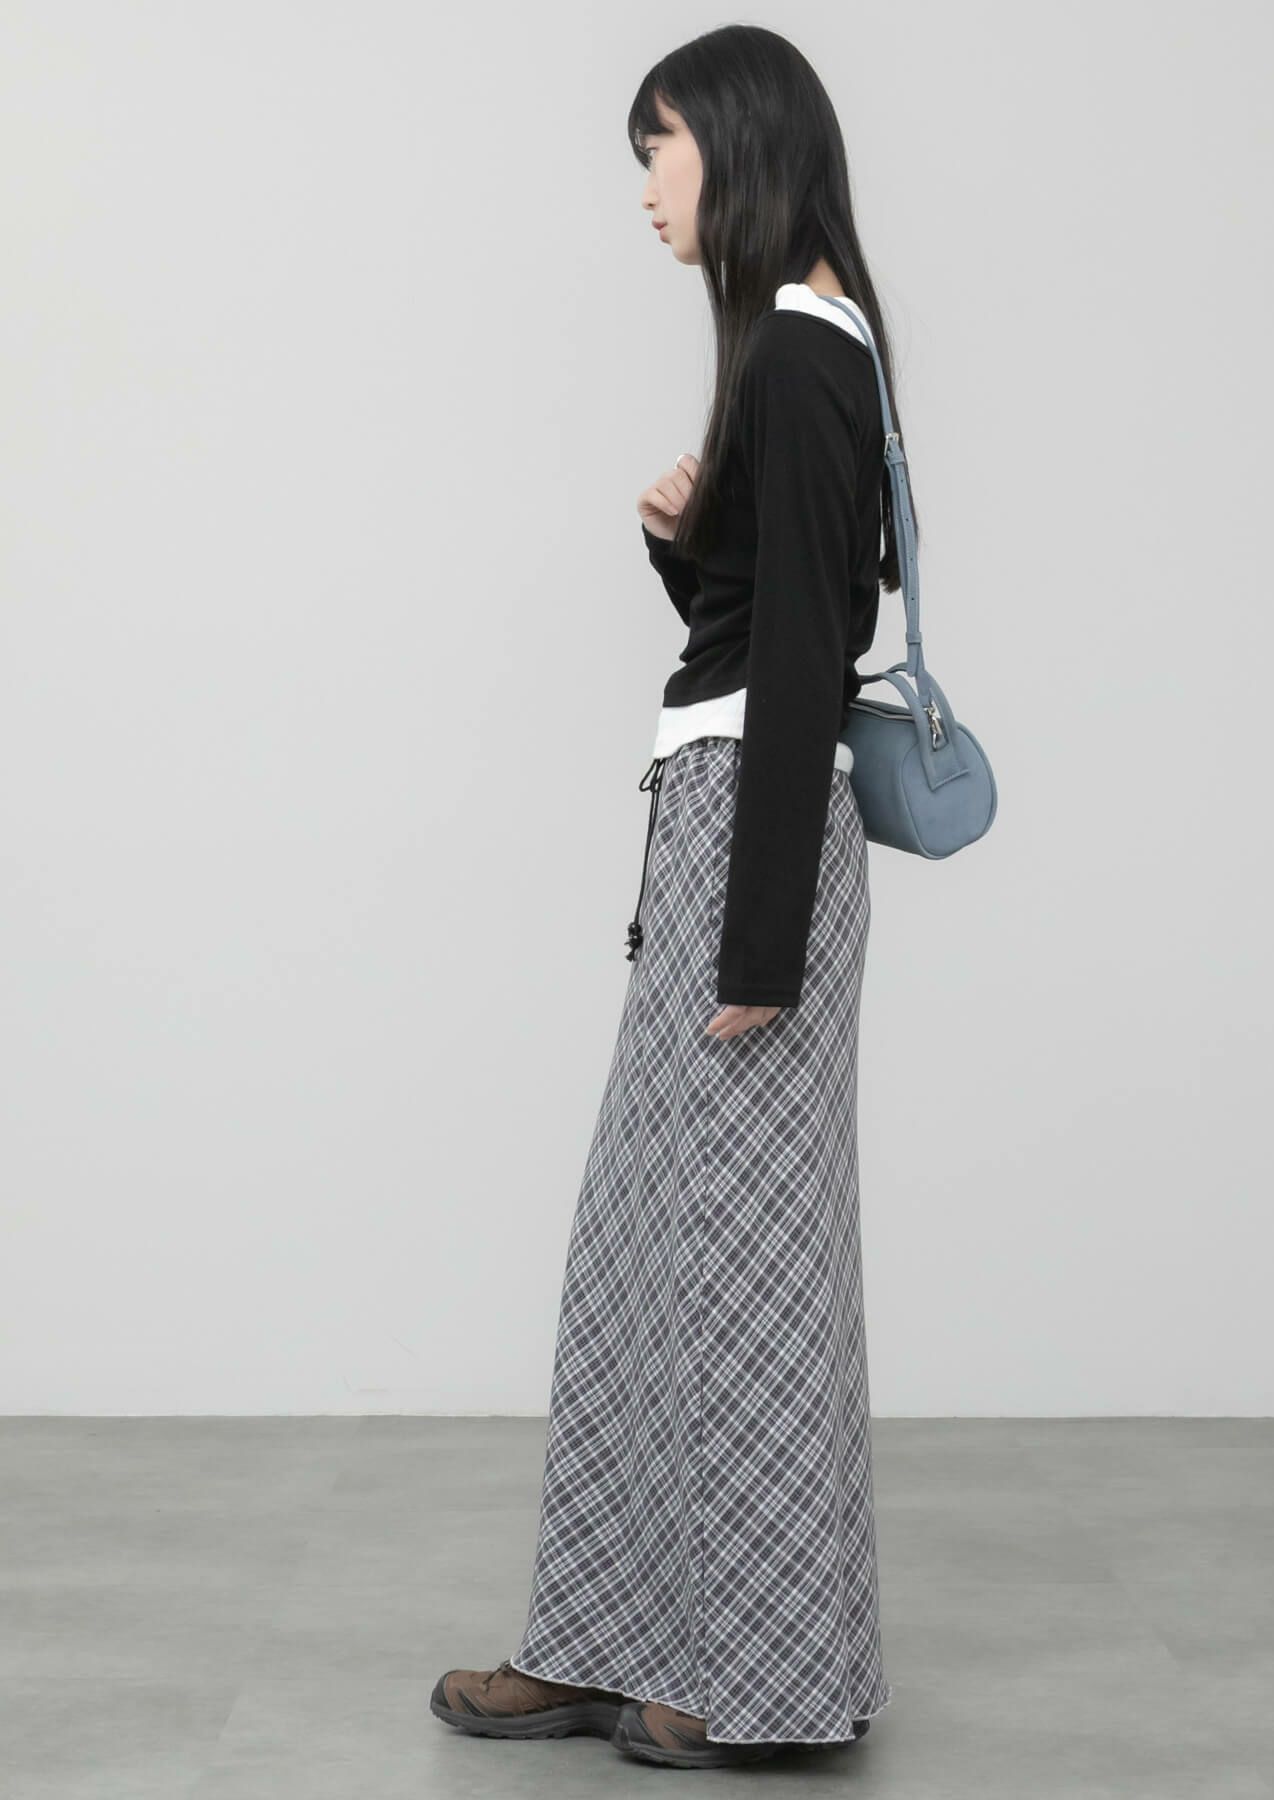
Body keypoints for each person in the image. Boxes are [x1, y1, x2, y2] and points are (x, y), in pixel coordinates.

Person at [430, 22, 918, 1771]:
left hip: (751, 842)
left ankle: (753, 1678)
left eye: (660, 146)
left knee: (739, 1271)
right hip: (724, 820)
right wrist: (683, 543)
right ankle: (606, 1637)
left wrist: (758, 936)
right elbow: (773, 617)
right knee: (647, 1256)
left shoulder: (798, 349)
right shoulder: (807, 346)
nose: (646, 185)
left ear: (738, 139)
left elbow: (802, 660)